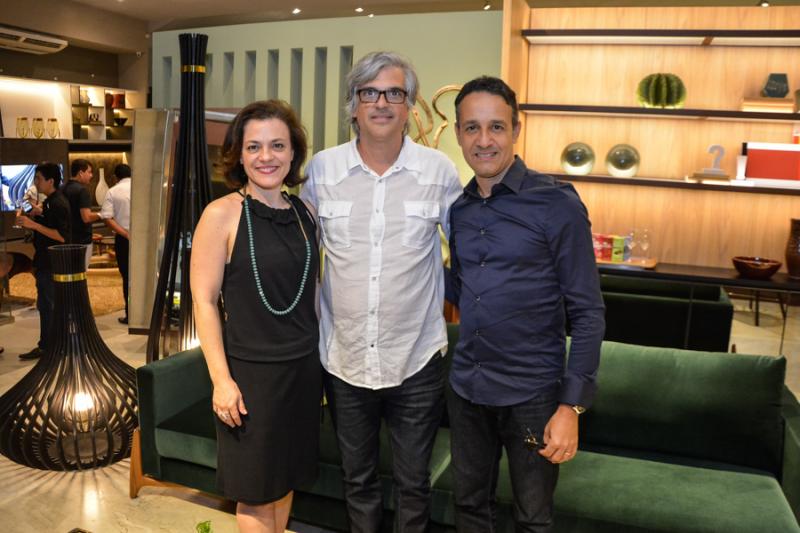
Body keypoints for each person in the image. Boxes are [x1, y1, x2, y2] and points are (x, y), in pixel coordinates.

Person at [300, 51, 462, 533]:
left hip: (416, 357)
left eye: (394, 92)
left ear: (410, 105)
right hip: (344, 358)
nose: (381, 103)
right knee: (358, 480)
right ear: (353, 105)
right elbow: (300, 257)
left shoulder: (438, 171)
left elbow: (469, 252)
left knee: (414, 483)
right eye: (369, 92)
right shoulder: (322, 170)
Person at [446, 76, 606, 532]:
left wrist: (571, 407)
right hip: (467, 388)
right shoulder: (459, 210)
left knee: (533, 519)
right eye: (472, 128)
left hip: (533, 394)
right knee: (469, 509)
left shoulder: (556, 203)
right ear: (458, 134)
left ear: (516, 129)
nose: (484, 140)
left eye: (496, 127)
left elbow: (589, 312)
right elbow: (462, 289)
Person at [191, 100, 321, 533]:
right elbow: (203, 301)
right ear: (239, 154)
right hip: (251, 378)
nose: (267, 156)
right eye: (254, 147)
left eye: (277, 145)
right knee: (256, 494)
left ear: (293, 153)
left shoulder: (304, 214)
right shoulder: (220, 214)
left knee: (285, 483)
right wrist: (221, 381)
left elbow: (312, 293)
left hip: (303, 372)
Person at [16, 162, 71, 360]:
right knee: (46, 304)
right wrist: (38, 215)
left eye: (38, 178)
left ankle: (49, 347)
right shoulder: (50, 202)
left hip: (51, 263)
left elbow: (61, 236)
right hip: (45, 260)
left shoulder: (57, 203)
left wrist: (33, 225)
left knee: (49, 305)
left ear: (51, 181)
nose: (35, 182)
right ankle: (49, 345)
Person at [100, 163, 132, 324]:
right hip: (145, 237)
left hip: (124, 238)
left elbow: (106, 217)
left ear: (115, 177)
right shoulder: (141, 188)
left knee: (127, 276)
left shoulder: (112, 191)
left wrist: (125, 233)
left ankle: (131, 314)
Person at [63, 159, 101, 268]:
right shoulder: (82, 191)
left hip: (66, 239)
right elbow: (86, 217)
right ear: (80, 173)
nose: (91, 175)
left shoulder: (62, 188)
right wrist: (102, 214)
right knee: (81, 272)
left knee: (68, 271)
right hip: (82, 241)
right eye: (89, 172)